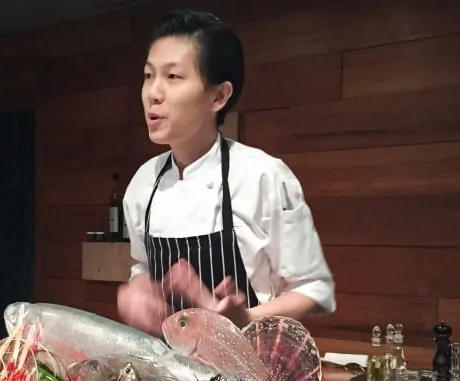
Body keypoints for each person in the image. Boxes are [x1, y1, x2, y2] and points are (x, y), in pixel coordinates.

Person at [117, 9, 335, 337]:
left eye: (172, 77)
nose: (153, 93)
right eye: (149, 76)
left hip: (249, 377)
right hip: (170, 374)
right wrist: (137, 290)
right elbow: (143, 267)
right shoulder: (142, 185)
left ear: (219, 96)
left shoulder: (265, 176)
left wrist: (246, 317)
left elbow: (315, 289)